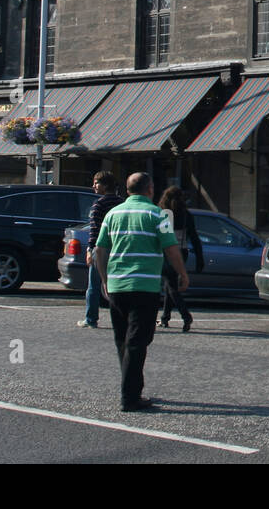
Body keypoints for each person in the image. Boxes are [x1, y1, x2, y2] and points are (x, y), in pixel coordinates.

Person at [94, 172, 188, 412]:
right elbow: (171, 248)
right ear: (150, 189)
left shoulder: (112, 214)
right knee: (138, 340)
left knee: (122, 339)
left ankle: (131, 386)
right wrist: (182, 274)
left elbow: (100, 250)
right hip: (144, 285)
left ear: (127, 191)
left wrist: (104, 279)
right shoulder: (158, 215)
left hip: (117, 284)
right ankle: (130, 397)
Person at [77, 172, 123, 328]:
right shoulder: (122, 203)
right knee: (118, 286)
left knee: (94, 285)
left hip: (102, 248)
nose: (93, 186)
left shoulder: (99, 204)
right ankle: (121, 317)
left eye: (96, 183)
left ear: (105, 185)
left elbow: (94, 230)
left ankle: (91, 318)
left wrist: (90, 250)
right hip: (119, 248)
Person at [157, 185, 204, 332]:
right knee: (169, 285)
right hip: (182, 251)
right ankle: (165, 317)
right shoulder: (186, 215)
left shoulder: (165, 214)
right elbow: (195, 238)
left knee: (171, 286)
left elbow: (163, 238)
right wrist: (199, 258)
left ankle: (186, 315)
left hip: (168, 252)